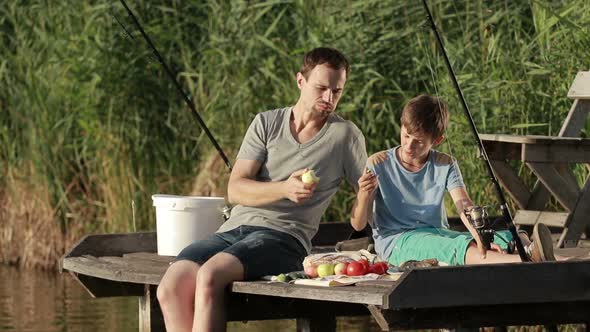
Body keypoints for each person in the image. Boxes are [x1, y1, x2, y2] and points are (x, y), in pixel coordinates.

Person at [157, 47, 367, 332]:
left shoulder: (345, 135)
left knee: (209, 275)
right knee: (170, 285)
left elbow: (365, 201)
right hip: (233, 231)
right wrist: (285, 189)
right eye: (321, 88)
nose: (329, 98)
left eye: (337, 91)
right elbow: (236, 189)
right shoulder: (266, 123)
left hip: (285, 238)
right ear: (300, 81)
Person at [350, 94, 556, 267]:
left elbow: (463, 204)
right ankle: (525, 262)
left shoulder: (445, 163)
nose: (408, 146)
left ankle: (531, 249)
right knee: (453, 247)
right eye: (406, 136)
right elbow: (358, 224)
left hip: (437, 234)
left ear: (436, 141)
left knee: (506, 236)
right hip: (397, 242)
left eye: (419, 142)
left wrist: (479, 235)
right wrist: (363, 194)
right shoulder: (379, 162)